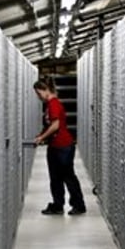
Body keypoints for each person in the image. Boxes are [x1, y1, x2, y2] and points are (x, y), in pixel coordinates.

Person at [33, 76, 86, 215]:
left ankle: (79, 205)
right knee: (55, 177)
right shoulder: (50, 105)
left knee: (68, 177)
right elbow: (50, 125)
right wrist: (42, 135)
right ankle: (57, 205)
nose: (39, 97)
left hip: (63, 146)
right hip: (55, 146)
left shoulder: (54, 104)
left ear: (45, 90)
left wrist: (42, 137)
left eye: (39, 93)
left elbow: (55, 125)